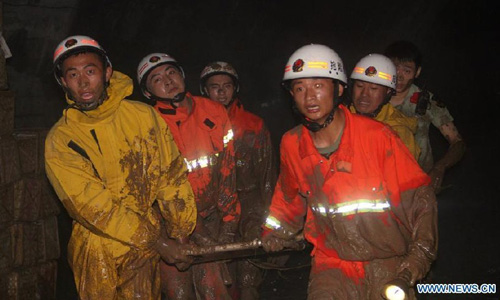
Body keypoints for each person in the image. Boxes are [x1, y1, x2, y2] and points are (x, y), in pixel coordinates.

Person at [261, 44, 438, 299]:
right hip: (331, 263)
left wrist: (418, 257)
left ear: (339, 89)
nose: (309, 97)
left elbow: (420, 200)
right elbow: (288, 199)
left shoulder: (378, 137)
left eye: (319, 86)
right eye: (299, 88)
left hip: (387, 260)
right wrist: (274, 232)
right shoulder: (291, 143)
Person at [46, 35, 197, 299]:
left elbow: (170, 177)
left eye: (90, 71)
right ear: (63, 82)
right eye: (73, 75)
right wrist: (159, 241)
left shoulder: (142, 116)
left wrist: (181, 233)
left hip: (145, 244)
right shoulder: (62, 140)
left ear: (107, 73)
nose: (83, 82)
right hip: (97, 249)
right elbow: (93, 207)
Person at [137, 53, 239, 300]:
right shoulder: (147, 124)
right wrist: (187, 230)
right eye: (157, 79)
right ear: (148, 92)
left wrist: (229, 222)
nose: (168, 81)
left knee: (215, 290)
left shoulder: (214, 111)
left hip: (212, 214)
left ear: (182, 75)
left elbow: (227, 168)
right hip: (170, 224)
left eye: (171, 72)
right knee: (179, 293)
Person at [200, 61, 277, 300]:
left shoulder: (254, 124)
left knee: (248, 279)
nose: (222, 92)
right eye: (215, 87)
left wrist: (271, 220)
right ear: (205, 91)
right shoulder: (195, 126)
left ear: (236, 89)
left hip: (249, 201)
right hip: (214, 207)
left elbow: (267, 176)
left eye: (227, 86)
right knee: (217, 281)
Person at [384, 40, 466, 191]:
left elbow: (457, 142)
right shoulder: (371, 96)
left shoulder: (425, 100)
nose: (399, 77)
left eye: (407, 71)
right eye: (394, 69)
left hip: (419, 183)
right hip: (380, 182)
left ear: (417, 72)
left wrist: (440, 168)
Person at [348, 53, 420, 160]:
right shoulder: (339, 118)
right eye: (359, 86)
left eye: (373, 88)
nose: (364, 94)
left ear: (388, 92)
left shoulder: (399, 134)